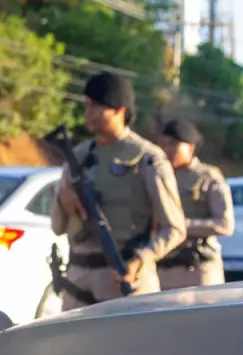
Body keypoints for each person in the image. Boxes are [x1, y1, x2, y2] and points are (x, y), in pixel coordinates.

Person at [51, 71, 186, 309]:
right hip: (78, 281)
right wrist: (62, 199)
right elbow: (58, 227)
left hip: (123, 280)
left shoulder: (148, 159)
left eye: (97, 106)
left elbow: (175, 229)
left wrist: (141, 260)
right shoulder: (77, 158)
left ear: (120, 110)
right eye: (87, 105)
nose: (89, 113)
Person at [154, 119, 233, 289]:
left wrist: (179, 226)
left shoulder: (207, 177)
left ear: (190, 147)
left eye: (174, 144)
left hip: (197, 268)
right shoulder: (156, 176)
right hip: (163, 267)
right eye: (164, 144)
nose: (167, 149)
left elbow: (225, 224)